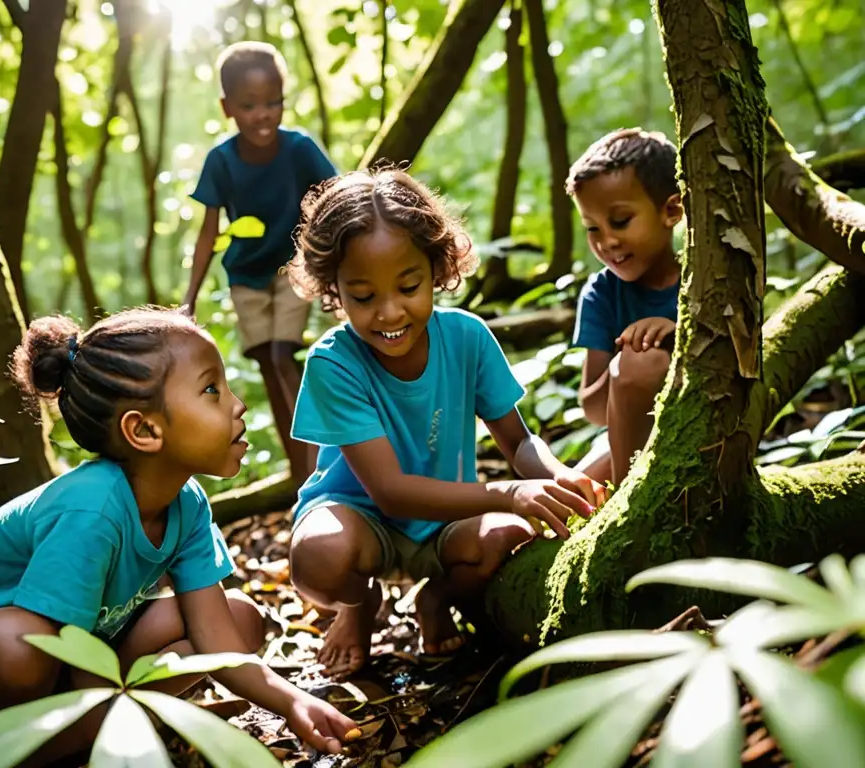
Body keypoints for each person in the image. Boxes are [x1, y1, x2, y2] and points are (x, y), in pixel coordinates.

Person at [0, 307, 355, 765]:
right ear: (145, 430)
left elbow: (217, 640)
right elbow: (60, 645)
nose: (237, 404)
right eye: (212, 389)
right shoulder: (91, 508)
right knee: (19, 646)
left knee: (241, 619)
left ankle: (59, 744)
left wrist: (293, 701)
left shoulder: (185, 502)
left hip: (84, 644)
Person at [284, 169, 606, 677]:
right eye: (363, 297)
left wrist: (553, 476)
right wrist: (506, 493)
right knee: (318, 557)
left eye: (408, 286)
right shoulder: (334, 362)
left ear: (436, 269)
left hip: (445, 522)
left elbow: (518, 441)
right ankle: (358, 605)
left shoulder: (467, 338)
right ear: (334, 289)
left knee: (507, 534)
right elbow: (390, 492)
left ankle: (433, 601)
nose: (389, 313)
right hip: (360, 519)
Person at [182, 41, 337, 485]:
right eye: (250, 105)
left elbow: (335, 199)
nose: (263, 114)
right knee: (268, 366)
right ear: (228, 107)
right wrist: (189, 299)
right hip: (245, 277)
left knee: (281, 352)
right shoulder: (221, 161)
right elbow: (209, 233)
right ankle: (298, 468)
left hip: (295, 266)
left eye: (274, 102)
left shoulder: (300, 148)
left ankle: (316, 464)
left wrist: (336, 266)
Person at [566, 128, 684, 487]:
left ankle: (635, 516)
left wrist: (674, 339)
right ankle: (626, 507)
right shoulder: (602, 293)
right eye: (592, 228)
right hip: (626, 437)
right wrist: (623, 365)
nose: (607, 241)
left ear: (671, 210)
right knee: (568, 495)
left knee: (644, 363)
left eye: (620, 221)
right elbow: (593, 409)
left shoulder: (705, 277)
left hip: (699, 431)